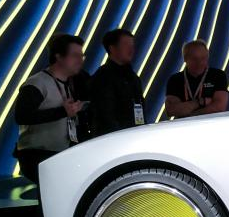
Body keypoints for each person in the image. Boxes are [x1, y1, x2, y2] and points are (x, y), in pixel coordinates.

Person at [12, 34, 86, 183]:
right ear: (59, 57)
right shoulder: (37, 83)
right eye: (75, 55)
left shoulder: (69, 84)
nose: (80, 60)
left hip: (60, 154)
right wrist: (63, 112)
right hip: (38, 156)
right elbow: (22, 116)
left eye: (81, 55)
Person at [89, 28, 145, 137]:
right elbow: (105, 114)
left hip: (134, 134)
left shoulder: (133, 77)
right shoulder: (103, 77)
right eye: (126, 44)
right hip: (113, 138)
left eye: (132, 45)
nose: (131, 49)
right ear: (112, 48)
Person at [164, 40, 229, 119]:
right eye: (194, 59)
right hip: (183, 125)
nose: (199, 63)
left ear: (207, 57)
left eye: (203, 58)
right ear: (185, 59)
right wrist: (200, 102)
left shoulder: (218, 75)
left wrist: (191, 115)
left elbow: (219, 107)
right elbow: (171, 110)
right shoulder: (175, 80)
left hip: (211, 123)